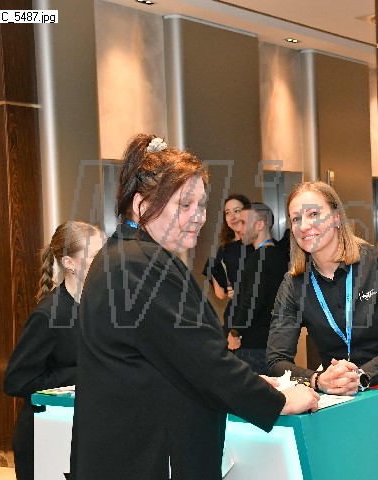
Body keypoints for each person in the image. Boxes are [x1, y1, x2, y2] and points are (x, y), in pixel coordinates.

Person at [71, 134, 318, 480]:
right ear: (141, 205)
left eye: (201, 205)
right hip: (149, 457)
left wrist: (255, 382)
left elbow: (177, 358)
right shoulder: (139, 265)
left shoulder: (124, 256)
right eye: (184, 205)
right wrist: (278, 402)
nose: (199, 217)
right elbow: (203, 360)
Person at [266, 181, 378, 480]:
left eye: (313, 214)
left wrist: (361, 377)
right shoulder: (293, 286)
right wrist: (317, 380)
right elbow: (275, 360)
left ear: (336, 216)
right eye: (296, 218)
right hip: (340, 403)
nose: (304, 226)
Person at [3, 221, 103, 480]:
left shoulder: (99, 305)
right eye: (95, 256)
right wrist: (86, 372)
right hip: (46, 439)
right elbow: (17, 381)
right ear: (69, 263)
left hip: (83, 434)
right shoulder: (48, 315)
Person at [230, 203, 289, 374]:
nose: (239, 229)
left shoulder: (258, 258)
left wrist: (235, 332)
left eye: (243, 223)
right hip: (276, 343)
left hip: (254, 346)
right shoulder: (280, 256)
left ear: (260, 224)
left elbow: (253, 300)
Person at [202, 194, 254, 347]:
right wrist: (229, 289)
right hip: (235, 316)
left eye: (237, 211)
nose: (232, 217)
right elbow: (221, 294)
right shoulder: (224, 249)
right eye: (227, 213)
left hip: (259, 315)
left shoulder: (258, 243)